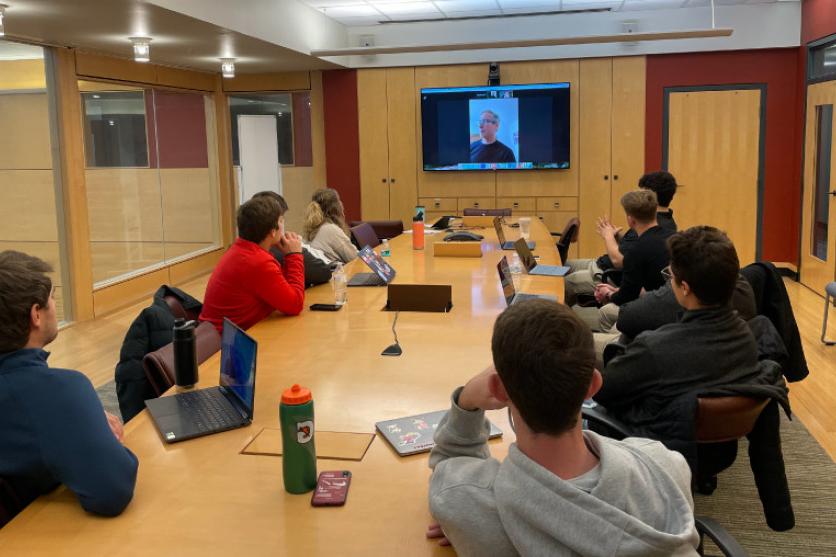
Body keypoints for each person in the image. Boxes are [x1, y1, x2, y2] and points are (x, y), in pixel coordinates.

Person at [427, 299, 699, 556]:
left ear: (498, 389)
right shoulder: (666, 464)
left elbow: (448, 462)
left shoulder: (466, 499)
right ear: (592, 385)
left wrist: (467, 402)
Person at [0, 251, 138, 520]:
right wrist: (97, 433)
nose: (55, 305)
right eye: (52, 298)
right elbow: (113, 490)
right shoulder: (58, 391)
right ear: (35, 315)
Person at [594, 226, 765, 443]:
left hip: (650, 448)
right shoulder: (749, 337)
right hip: (715, 450)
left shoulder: (655, 348)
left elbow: (603, 392)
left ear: (684, 288)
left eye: (670, 277)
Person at [565, 171, 678, 306]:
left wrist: (608, 236)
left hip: (609, 274)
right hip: (602, 264)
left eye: (641, 193)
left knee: (563, 283)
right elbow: (636, 246)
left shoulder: (651, 222)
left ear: (651, 196)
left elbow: (619, 261)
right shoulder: (660, 221)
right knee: (562, 266)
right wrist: (616, 236)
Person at [200, 195, 305, 333]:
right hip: (224, 346)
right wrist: (295, 255)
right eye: (281, 221)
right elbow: (294, 304)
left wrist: (289, 256)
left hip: (223, 336)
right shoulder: (257, 262)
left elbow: (281, 292)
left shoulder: (243, 249)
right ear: (272, 232)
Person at [581, 190, 674, 332]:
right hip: (666, 301)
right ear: (655, 213)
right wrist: (618, 290)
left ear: (630, 220)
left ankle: (617, 347)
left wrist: (608, 293)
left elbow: (625, 297)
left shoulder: (636, 250)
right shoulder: (672, 237)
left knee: (605, 312)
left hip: (653, 309)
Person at [251, 191, 335, 288]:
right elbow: (323, 272)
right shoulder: (275, 250)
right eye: (282, 220)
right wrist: (296, 253)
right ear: (274, 224)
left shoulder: (245, 250)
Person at [302, 188, 357, 264]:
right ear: (337, 207)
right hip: (335, 274)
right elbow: (355, 258)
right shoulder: (330, 229)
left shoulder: (315, 227)